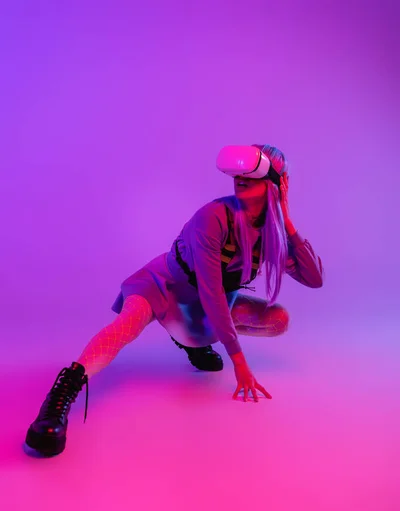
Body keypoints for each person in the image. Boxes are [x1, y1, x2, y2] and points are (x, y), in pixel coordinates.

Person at [25, 144, 324, 457]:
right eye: (239, 175)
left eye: (254, 174)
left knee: (278, 320)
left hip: (204, 309)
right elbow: (210, 290)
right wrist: (239, 361)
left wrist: (286, 220)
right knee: (124, 328)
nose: (241, 178)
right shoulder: (213, 217)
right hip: (165, 287)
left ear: (278, 183)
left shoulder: (273, 236)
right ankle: (60, 396)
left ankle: (192, 341)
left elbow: (314, 279)